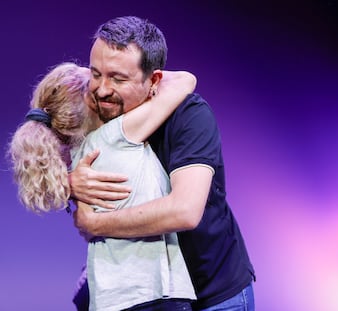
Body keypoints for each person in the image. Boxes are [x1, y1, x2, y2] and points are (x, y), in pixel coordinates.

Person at [70, 16, 256, 311]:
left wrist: (95, 223)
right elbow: (39, 164)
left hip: (212, 292)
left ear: (154, 80)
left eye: (118, 79)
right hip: (145, 295)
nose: (102, 89)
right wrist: (70, 183)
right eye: (95, 74)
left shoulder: (190, 117)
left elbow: (184, 210)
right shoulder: (96, 112)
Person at [8, 62, 198, 310]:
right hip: (148, 293)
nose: (107, 87)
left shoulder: (77, 159)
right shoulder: (116, 134)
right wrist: (129, 74)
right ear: (92, 106)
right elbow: (185, 80)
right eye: (97, 82)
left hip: (105, 294)